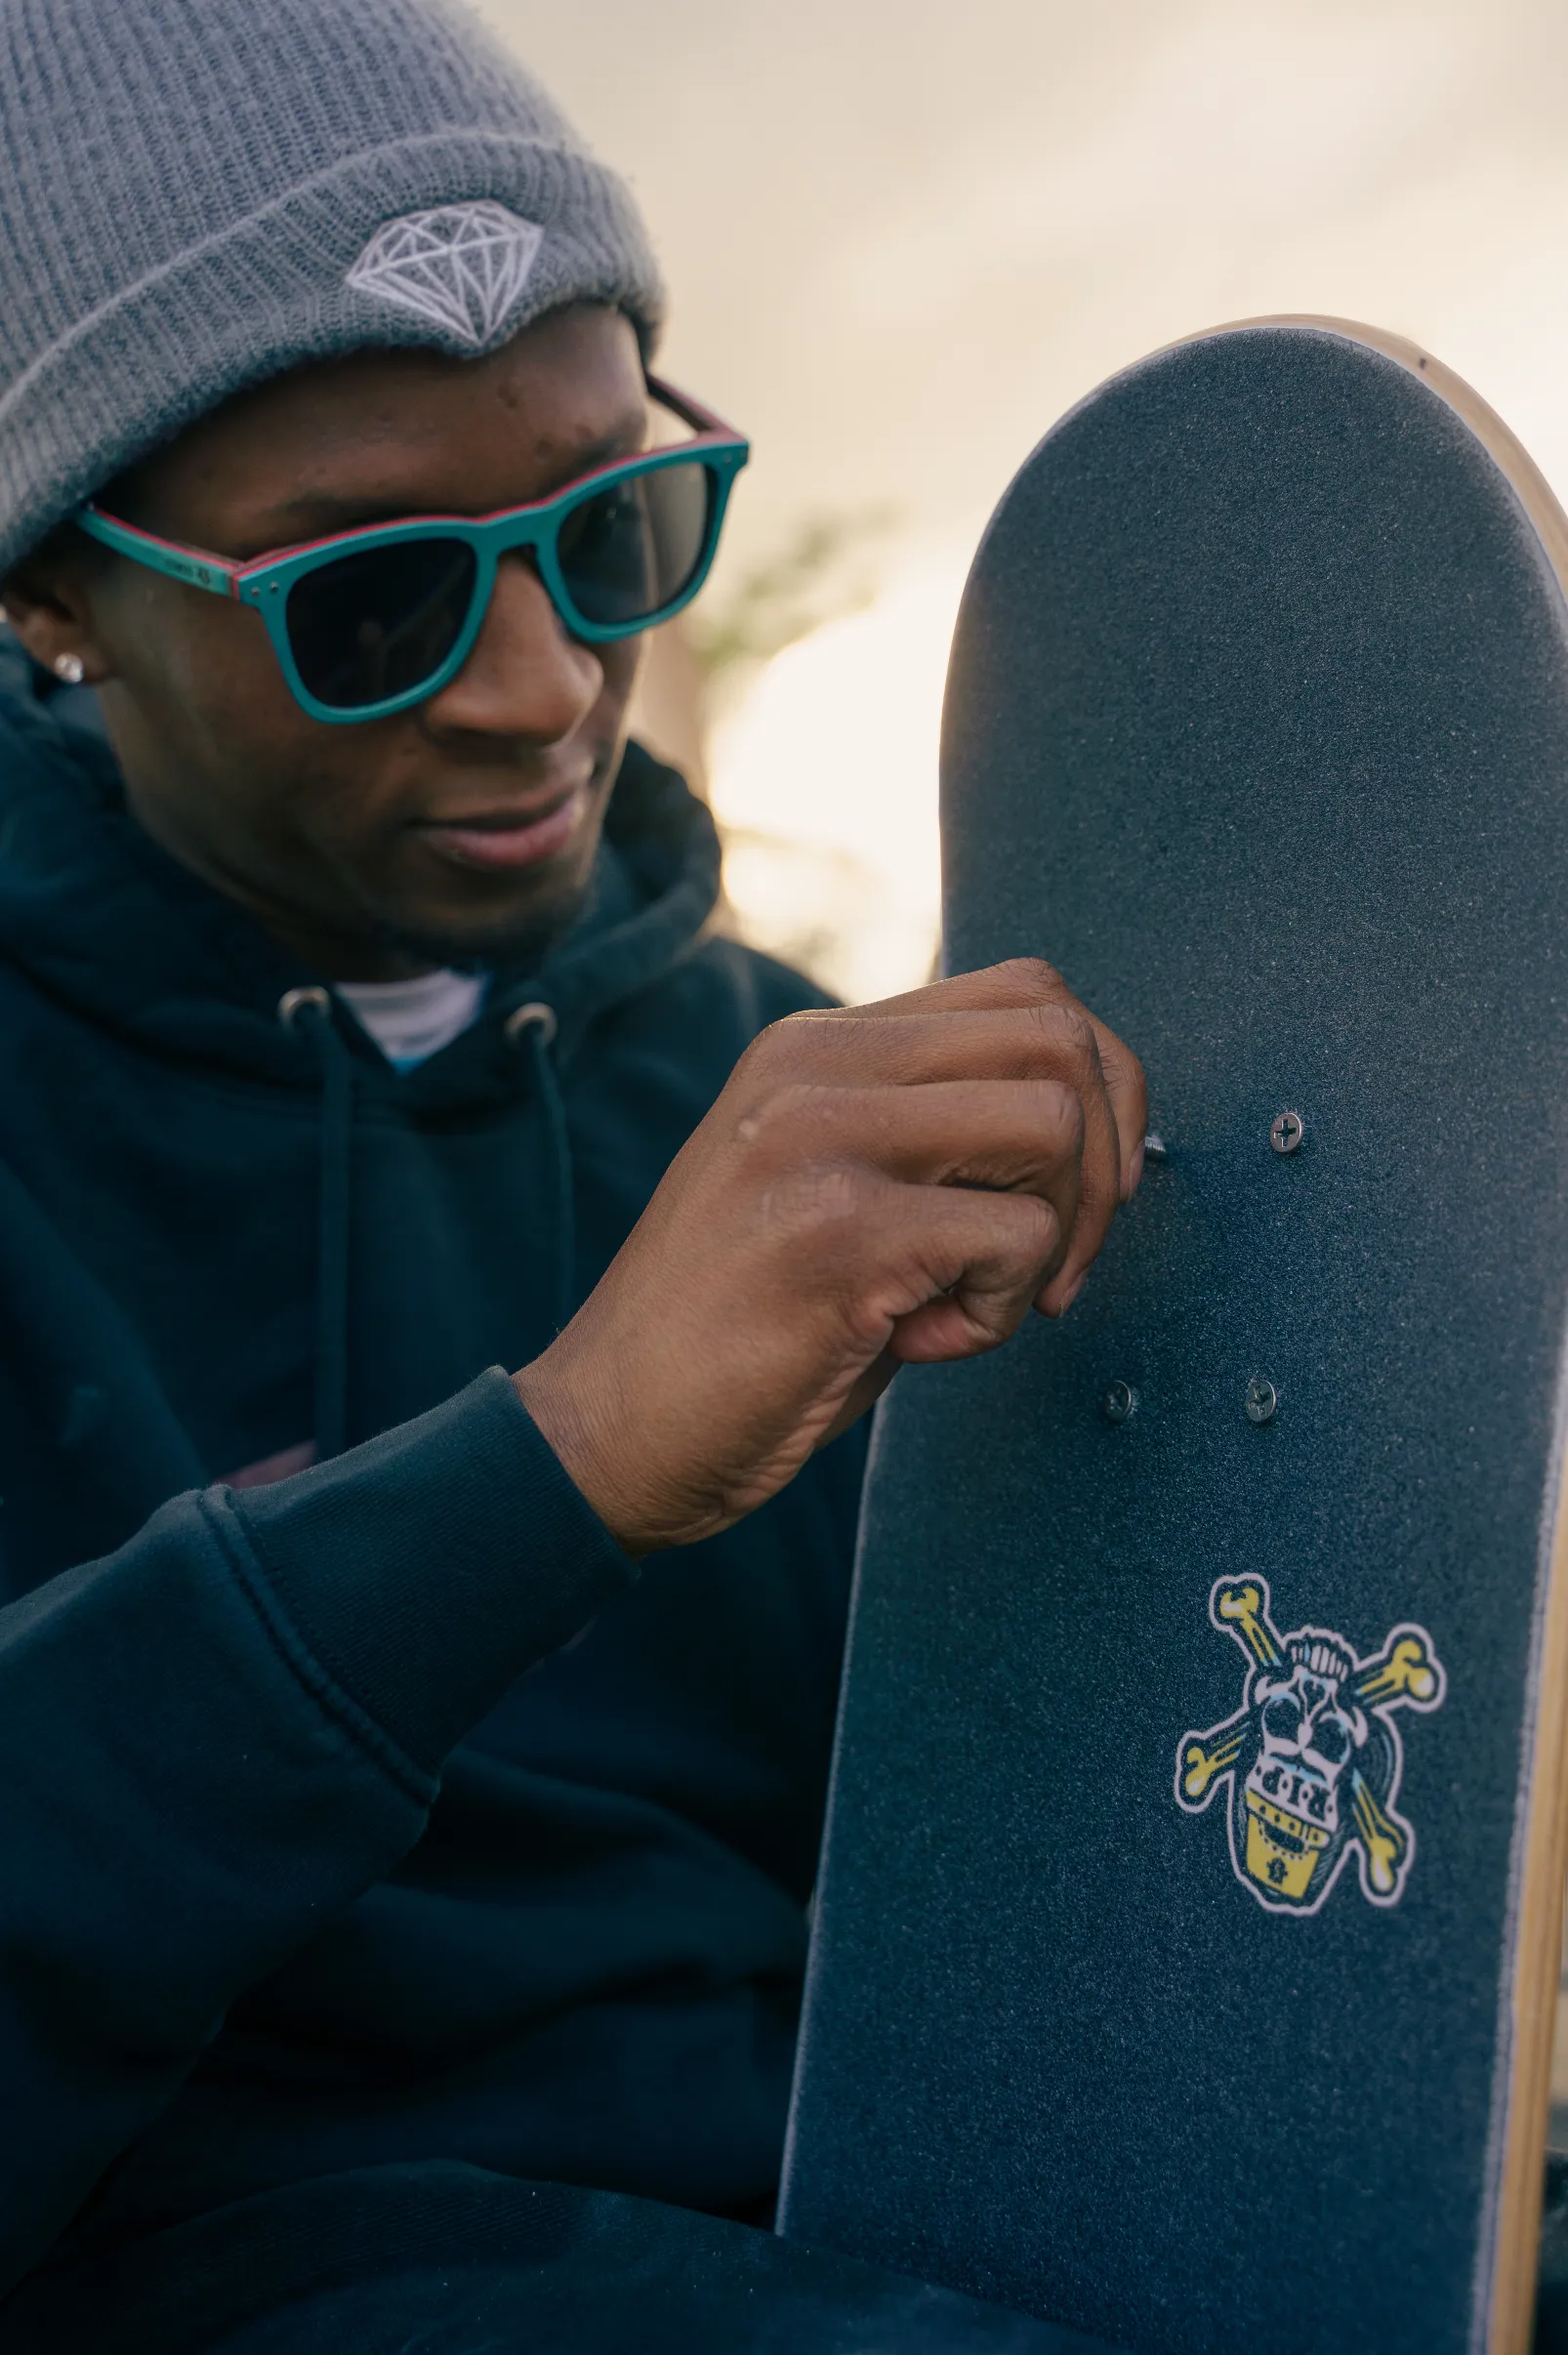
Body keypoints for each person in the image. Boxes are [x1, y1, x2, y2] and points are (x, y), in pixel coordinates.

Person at [0, 0, 1145, 2344]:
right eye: (373, 595)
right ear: (50, 601)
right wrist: (567, 1459)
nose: (538, 682)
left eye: (610, 523)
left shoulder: (782, 1100)